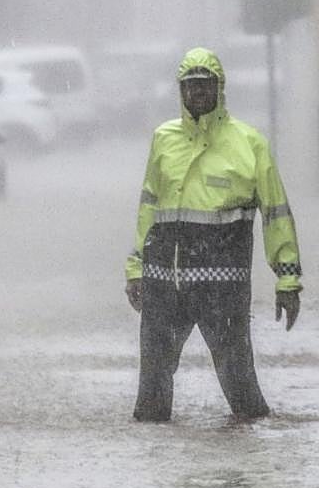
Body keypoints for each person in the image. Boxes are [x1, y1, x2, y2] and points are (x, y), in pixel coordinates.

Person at [124, 47, 302, 422]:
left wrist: (288, 279)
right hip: (164, 284)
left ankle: (253, 451)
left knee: (242, 392)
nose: (197, 93)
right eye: (190, 86)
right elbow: (148, 209)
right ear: (181, 91)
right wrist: (135, 268)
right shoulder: (163, 139)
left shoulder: (249, 143)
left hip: (222, 291)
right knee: (151, 400)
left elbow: (275, 213)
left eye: (205, 85)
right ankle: (156, 467)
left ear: (220, 89)